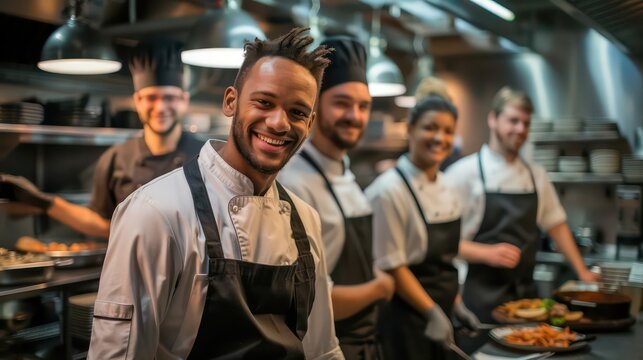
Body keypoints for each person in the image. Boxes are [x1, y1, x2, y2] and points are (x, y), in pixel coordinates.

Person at [87, 27, 344, 359]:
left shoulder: (306, 221)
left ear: (309, 125)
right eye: (264, 102)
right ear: (231, 101)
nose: (279, 123)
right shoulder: (155, 213)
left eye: (297, 112)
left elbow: (323, 349)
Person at [0, 38, 202, 239]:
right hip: (133, 269)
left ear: (184, 100)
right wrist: (45, 202)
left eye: (169, 98)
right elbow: (104, 225)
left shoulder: (207, 157)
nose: (160, 107)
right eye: (151, 97)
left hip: (194, 270)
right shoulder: (116, 158)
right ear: (137, 100)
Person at [278, 36, 395, 359]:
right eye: (342, 103)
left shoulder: (345, 173)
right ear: (315, 107)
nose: (355, 116)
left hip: (365, 342)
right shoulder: (295, 183)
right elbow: (307, 299)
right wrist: (380, 288)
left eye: (363, 106)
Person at [445, 86, 600, 324]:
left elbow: (556, 224)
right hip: (478, 300)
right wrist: (486, 253)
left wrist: (582, 272)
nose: (520, 129)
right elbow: (441, 243)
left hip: (527, 301)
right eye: (513, 121)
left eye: (526, 123)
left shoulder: (536, 175)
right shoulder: (464, 174)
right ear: (493, 119)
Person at [365, 96, 480, 360]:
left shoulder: (448, 186)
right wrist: (431, 311)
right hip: (404, 320)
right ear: (410, 129)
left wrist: (457, 306)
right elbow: (392, 264)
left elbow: (445, 261)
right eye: (430, 127)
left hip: (442, 315)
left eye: (448, 131)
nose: (439, 138)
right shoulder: (388, 191)